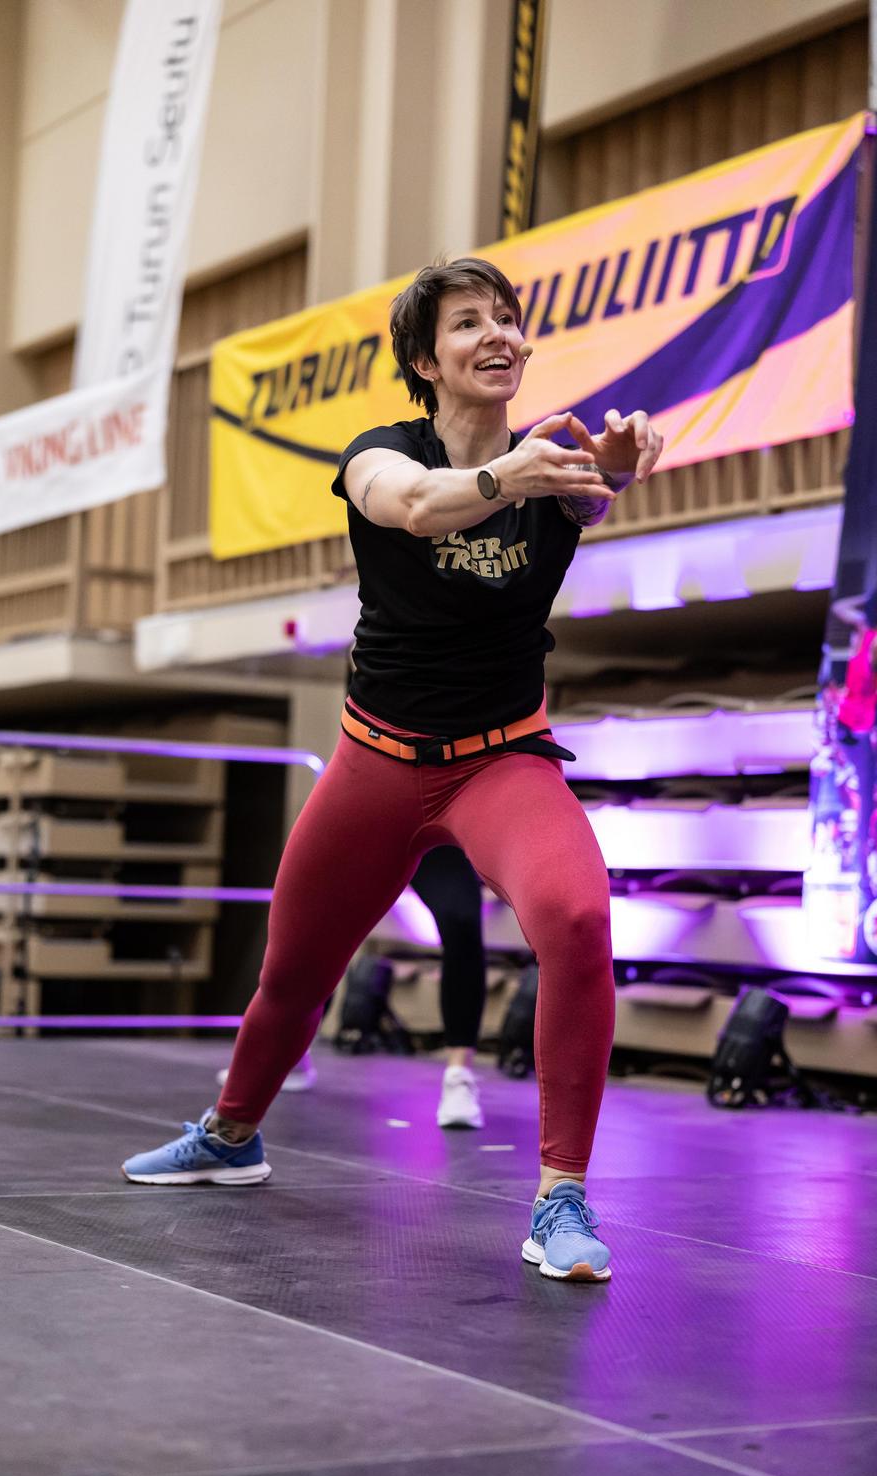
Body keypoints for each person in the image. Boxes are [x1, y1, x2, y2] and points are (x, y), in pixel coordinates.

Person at [123, 257, 663, 1283]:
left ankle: (560, 1197)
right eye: (468, 323)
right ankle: (230, 1134)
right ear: (426, 360)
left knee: (579, 920)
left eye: (507, 318)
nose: (497, 335)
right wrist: (510, 479)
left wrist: (615, 473)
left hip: (499, 760)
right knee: (293, 972)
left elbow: (585, 502)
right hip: (374, 761)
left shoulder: (554, 468)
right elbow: (412, 505)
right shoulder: (383, 453)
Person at [217, 845, 490, 1126]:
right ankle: (288, 1053)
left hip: (435, 833)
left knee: (462, 919)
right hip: (379, 823)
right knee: (321, 922)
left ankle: (459, 1075)